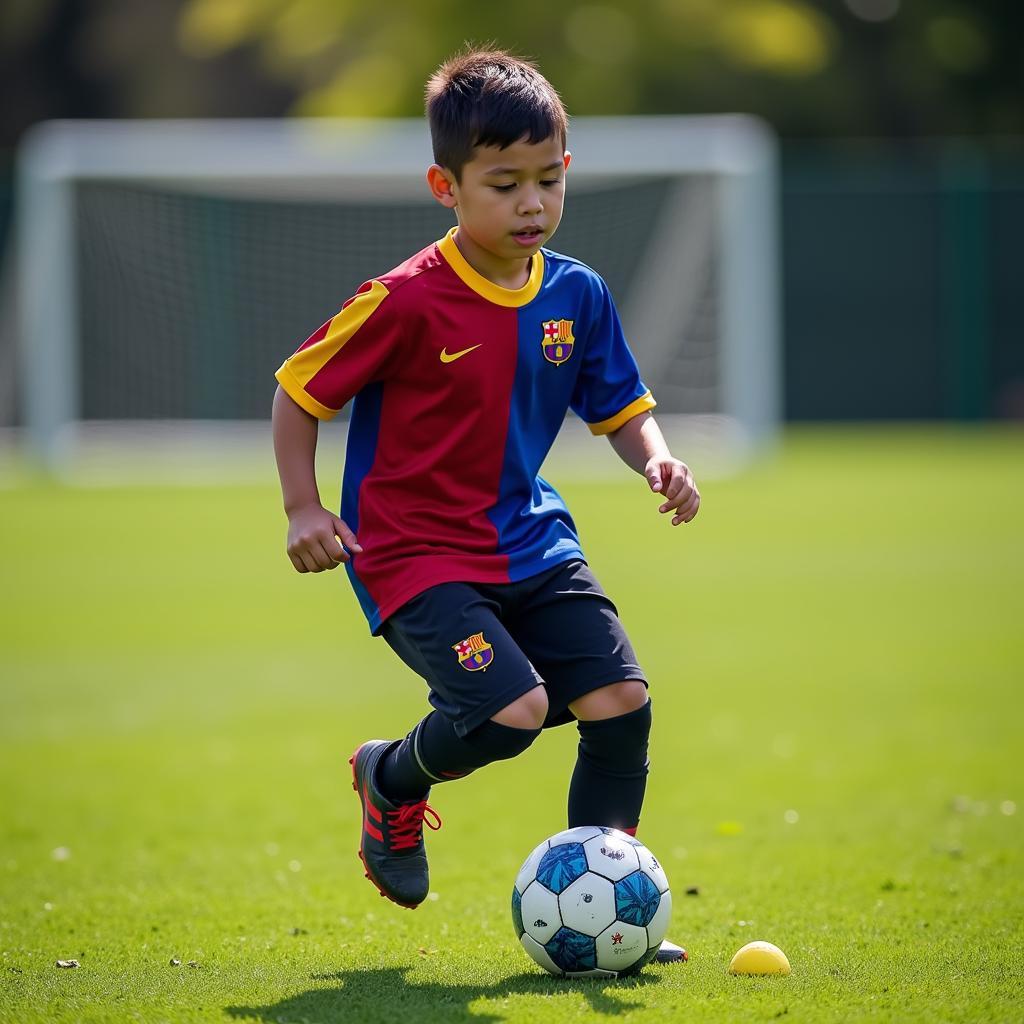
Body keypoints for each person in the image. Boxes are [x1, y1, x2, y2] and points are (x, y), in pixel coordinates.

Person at [271, 47, 699, 964]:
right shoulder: (404, 300)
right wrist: (304, 508)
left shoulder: (576, 293)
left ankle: (611, 909)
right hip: (415, 556)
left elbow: (622, 409)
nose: (533, 203)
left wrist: (658, 461)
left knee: (620, 702)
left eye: (549, 180)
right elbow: (300, 388)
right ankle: (388, 778)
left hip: (531, 541)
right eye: (505, 185)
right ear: (446, 186)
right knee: (514, 715)